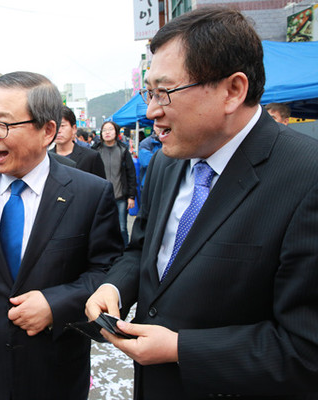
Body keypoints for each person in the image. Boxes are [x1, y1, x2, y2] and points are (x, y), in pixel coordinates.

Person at [85, 7, 318, 399]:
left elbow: (305, 350)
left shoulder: (306, 177)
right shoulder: (165, 162)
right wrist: (116, 286)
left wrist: (179, 349)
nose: (151, 110)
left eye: (165, 92)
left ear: (232, 91)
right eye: (149, 91)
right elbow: (142, 248)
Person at [0, 71, 123, 400]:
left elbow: (107, 271)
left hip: (56, 367)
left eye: (4, 124)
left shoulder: (90, 193)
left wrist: (55, 304)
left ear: (47, 130)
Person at [93, 120, 137, 246]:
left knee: (122, 227)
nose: (107, 132)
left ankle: (124, 253)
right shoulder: (96, 151)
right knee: (102, 228)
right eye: (104, 130)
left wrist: (131, 196)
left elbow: (131, 174)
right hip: (101, 197)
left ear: (116, 132)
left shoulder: (123, 150)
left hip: (120, 197)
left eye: (110, 129)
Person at [51, 106, 106, 178]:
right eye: (55, 126)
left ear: (74, 129)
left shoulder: (91, 157)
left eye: (62, 125)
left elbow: (101, 186)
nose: (58, 130)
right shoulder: (46, 158)